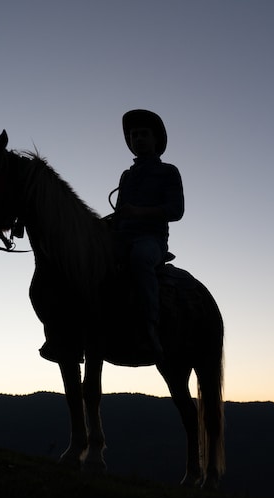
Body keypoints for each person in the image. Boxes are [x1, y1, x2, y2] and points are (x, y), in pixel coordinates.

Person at [113, 109, 184, 355]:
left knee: (140, 258)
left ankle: (149, 326)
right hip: (121, 238)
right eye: (133, 136)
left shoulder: (169, 172)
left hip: (151, 239)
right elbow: (121, 212)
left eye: (144, 134)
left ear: (156, 140)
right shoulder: (126, 176)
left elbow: (176, 211)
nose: (138, 139)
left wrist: (138, 212)